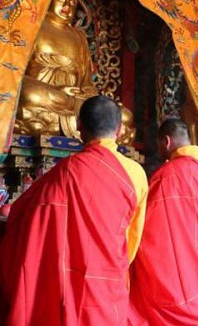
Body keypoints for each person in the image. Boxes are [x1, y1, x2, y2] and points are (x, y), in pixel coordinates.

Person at [0, 95, 148, 325]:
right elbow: (132, 239)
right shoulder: (136, 173)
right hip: (108, 278)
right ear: (119, 130)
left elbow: (20, 212)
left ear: (78, 126)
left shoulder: (62, 173)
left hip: (64, 276)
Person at [129, 119, 198, 325]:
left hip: (175, 266)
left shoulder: (162, 177)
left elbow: (146, 231)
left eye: (160, 144)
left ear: (166, 142)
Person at [14, 0, 134, 144]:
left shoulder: (79, 37)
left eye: (72, 3)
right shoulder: (32, 27)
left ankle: (68, 121)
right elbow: (16, 74)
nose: (67, 6)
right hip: (45, 95)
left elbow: (87, 83)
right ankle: (92, 128)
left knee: (123, 115)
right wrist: (61, 92)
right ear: (48, 0)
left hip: (70, 100)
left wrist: (82, 93)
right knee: (30, 95)